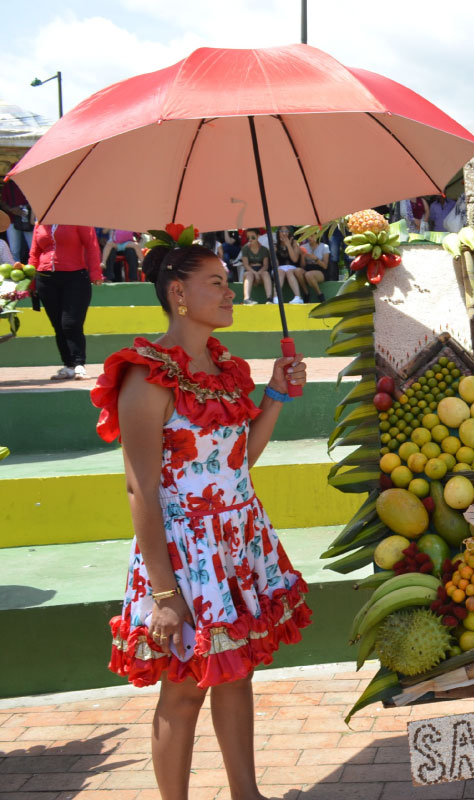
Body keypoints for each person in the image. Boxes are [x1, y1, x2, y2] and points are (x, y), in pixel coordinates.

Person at [89, 237, 309, 800]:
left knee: (237, 674)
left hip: (238, 541)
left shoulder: (229, 369)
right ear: (178, 293)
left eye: (227, 279)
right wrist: (164, 593)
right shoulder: (146, 378)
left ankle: (246, 795)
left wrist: (277, 395)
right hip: (184, 554)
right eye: (216, 281)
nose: (229, 289)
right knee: (184, 690)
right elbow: (140, 488)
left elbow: (240, 459)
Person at [28, 223, 103, 380]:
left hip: (75, 276)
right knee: (57, 324)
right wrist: (31, 282)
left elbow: (91, 245)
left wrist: (95, 272)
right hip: (45, 277)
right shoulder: (40, 223)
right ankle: (68, 365)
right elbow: (34, 253)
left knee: (71, 323)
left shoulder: (77, 219)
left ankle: (79, 363)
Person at [0, 161, 34, 262]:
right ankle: (16, 269)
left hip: (27, 220)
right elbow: (3, 202)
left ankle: (34, 271)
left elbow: (36, 200)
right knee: (14, 249)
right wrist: (12, 210)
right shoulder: (9, 186)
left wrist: (24, 208)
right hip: (12, 220)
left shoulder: (30, 185)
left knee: (32, 248)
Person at [272, 226, 306, 304]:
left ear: (290, 233)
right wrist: (274, 254)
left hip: (293, 267)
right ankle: (276, 297)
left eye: (286, 231)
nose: (284, 233)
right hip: (280, 268)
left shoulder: (295, 243)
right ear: (278, 233)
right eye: (282, 231)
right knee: (280, 271)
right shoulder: (275, 245)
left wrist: (288, 245)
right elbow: (275, 264)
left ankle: (298, 297)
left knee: (289, 272)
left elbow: (295, 259)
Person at [238, 232, 272, 305]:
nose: (250, 239)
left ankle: (269, 299)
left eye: (253, 237)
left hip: (261, 270)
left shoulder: (264, 249)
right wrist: (255, 273)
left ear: (257, 237)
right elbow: (246, 265)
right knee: (248, 274)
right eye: (248, 238)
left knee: (266, 273)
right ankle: (246, 299)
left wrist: (258, 273)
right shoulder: (245, 249)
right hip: (250, 271)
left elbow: (265, 265)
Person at [299, 232, 330, 302]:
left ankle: (320, 294)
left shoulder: (324, 247)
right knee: (297, 271)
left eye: (312, 236)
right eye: (308, 236)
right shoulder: (304, 247)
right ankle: (306, 293)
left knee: (308, 275)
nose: (309, 238)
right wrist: (302, 256)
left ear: (318, 236)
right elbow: (302, 266)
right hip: (307, 268)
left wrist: (315, 258)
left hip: (320, 270)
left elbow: (325, 266)